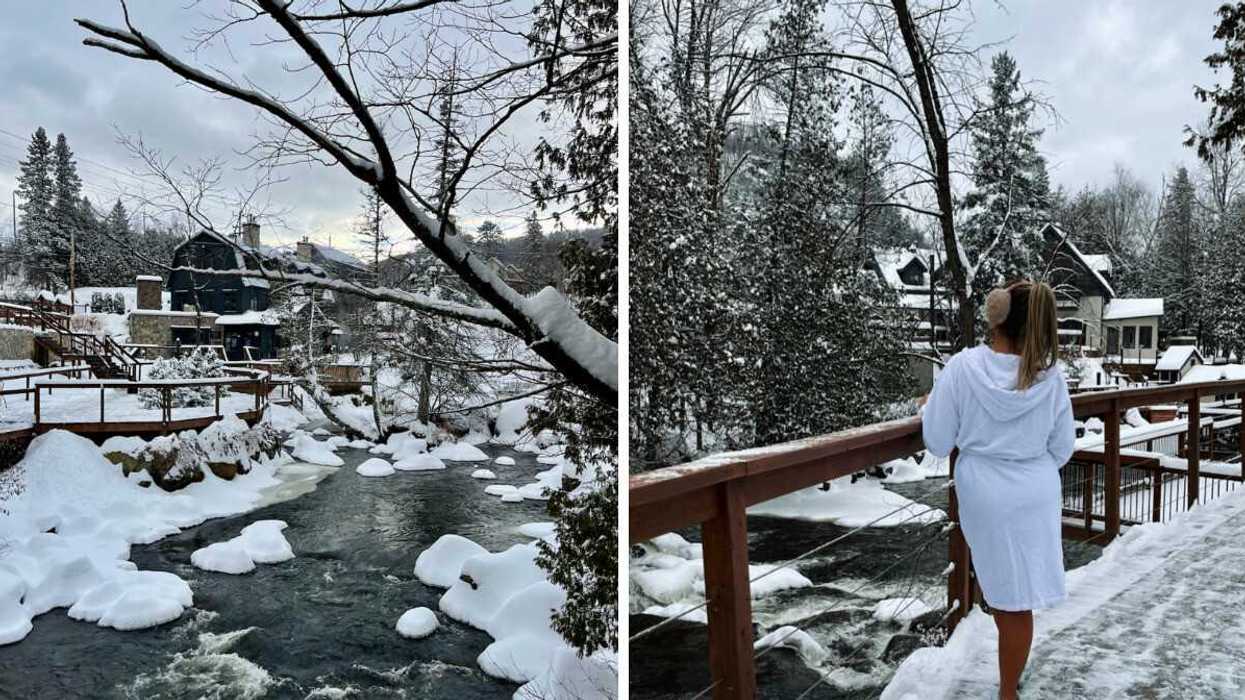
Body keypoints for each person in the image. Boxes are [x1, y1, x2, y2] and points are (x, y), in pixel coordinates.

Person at [921, 280, 1075, 700]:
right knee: (1014, 599)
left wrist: (930, 405)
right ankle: (1010, 683)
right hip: (1035, 490)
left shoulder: (962, 369)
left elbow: (937, 440)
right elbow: (1062, 447)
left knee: (1008, 603)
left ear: (998, 316)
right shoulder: (1051, 377)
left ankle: (1008, 692)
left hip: (986, 493)